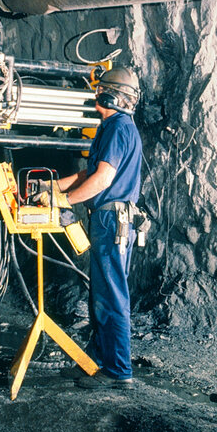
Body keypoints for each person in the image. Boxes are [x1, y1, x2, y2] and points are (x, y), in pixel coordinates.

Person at [56, 67, 143, 388]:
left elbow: (102, 179)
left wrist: (65, 203)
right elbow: (86, 176)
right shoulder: (110, 128)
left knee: (111, 296)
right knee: (100, 295)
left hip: (112, 219)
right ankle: (94, 362)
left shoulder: (119, 127)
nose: (96, 96)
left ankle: (119, 372)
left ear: (112, 95)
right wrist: (52, 189)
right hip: (105, 218)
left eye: (100, 90)